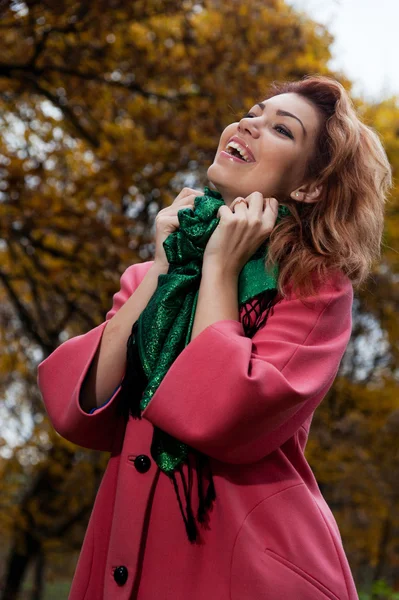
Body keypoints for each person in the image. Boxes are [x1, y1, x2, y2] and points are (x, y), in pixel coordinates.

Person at [37, 75, 391, 599]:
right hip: (125, 559)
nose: (249, 122)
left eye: (281, 129)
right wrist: (163, 269)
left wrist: (220, 268)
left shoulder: (312, 286)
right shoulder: (152, 276)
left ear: (308, 187)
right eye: (253, 110)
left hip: (246, 570)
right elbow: (79, 408)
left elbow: (218, 414)